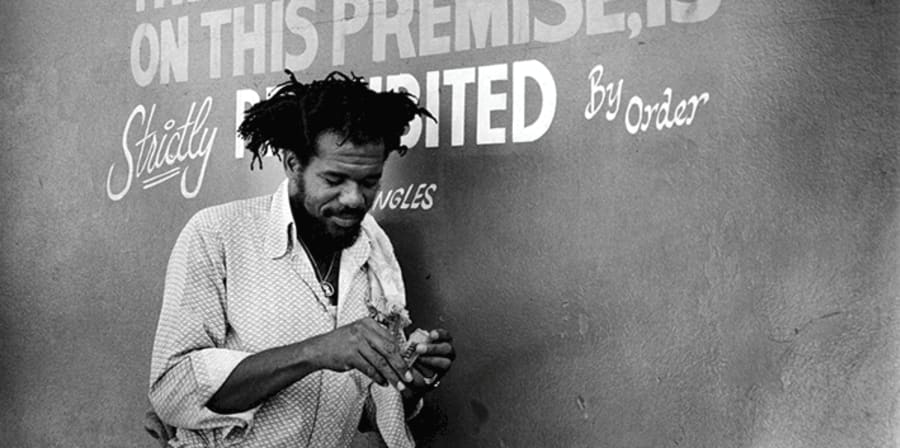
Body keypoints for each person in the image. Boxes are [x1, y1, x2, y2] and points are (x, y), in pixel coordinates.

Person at [147, 71, 455, 448]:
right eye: (334, 179)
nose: (355, 199)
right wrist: (313, 352)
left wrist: (410, 379)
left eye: (370, 181)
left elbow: (366, 410)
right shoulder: (217, 234)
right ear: (294, 164)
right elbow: (172, 391)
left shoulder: (376, 250)